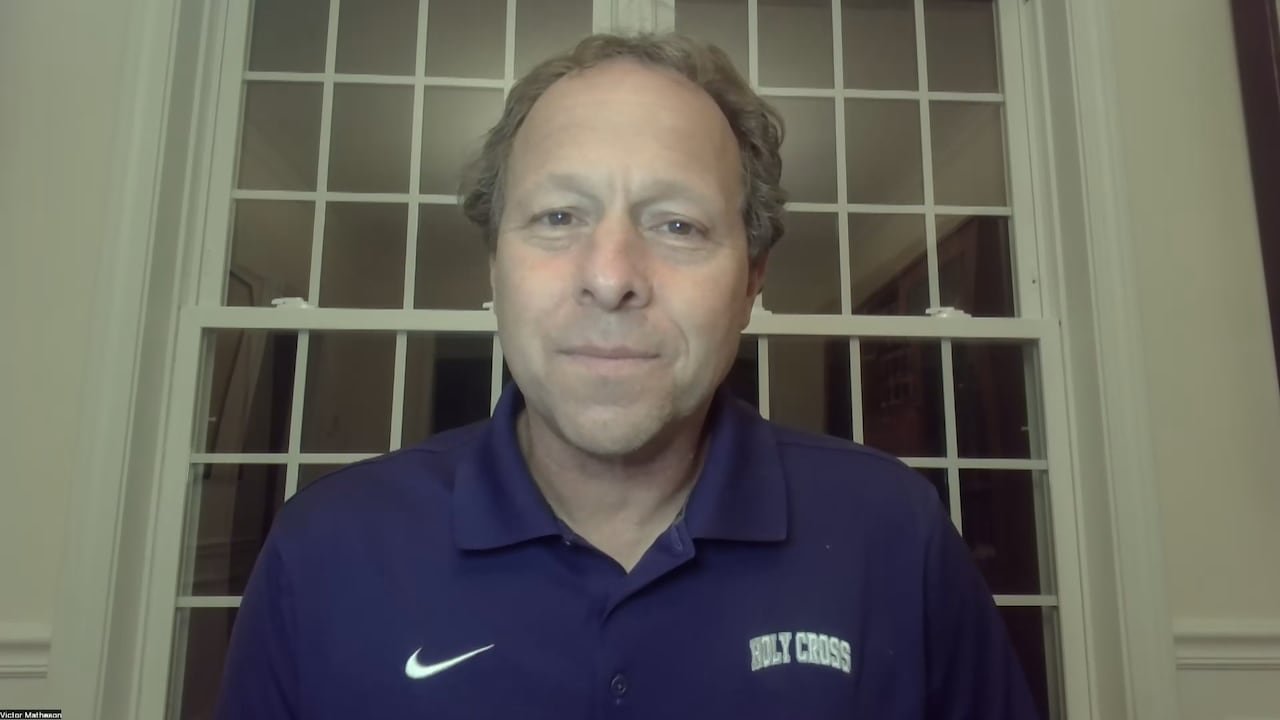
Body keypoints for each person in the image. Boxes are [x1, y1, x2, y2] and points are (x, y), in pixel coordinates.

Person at [216, 33, 1041, 719]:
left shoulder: (893, 534)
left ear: (752, 278)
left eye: (677, 224)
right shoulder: (324, 553)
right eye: (558, 217)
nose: (611, 276)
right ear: (493, 266)